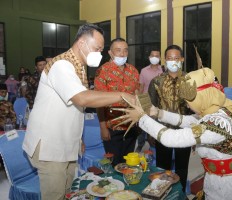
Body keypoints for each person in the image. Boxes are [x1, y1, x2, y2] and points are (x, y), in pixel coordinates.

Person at [22, 24, 134, 200]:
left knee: (68, 193)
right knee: (55, 196)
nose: (99, 53)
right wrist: (122, 95)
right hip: (50, 146)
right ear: (81, 43)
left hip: (66, 143)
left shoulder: (78, 67)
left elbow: (74, 110)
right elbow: (82, 98)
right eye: (97, 48)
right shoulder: (61, 65)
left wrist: (78, 138)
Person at [118, 67, 232, 200]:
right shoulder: (217, 109)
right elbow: (188, 120)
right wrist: (157, 113)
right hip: (219, 181)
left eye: (189, 102)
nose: (188, 106)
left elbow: (171, 138)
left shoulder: (217, 124)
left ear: (201, 97)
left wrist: (142, 118)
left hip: (230, 189)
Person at [147, 45, 191, 193]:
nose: (173, 61)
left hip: (184, 131)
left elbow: (193, 109)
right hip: (162, 131)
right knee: (162, 167)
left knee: (182, 167)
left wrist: (195, 133)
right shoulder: (156, 82)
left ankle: (180, 194)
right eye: (170, 58)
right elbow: (151, 108)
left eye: (176, 58)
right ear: (165, 60)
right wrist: (150, 132)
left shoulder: (189, 80)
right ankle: (162, 193)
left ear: (182, 59)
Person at [94, 38, 139, 167]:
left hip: (131, 126)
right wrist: (103, 128)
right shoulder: (102, 71)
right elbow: (99, 102)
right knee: (114, 166)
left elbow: (136, 97)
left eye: (125, 50)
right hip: (112, 127)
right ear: (110, 53)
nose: (122, 54)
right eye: (118, 50)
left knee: (130, 164)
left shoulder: (133, 71)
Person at [135, 50, 163, 152]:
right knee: (143, 125)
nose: (154, 57)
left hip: (158, 103)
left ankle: (154, 146)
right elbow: (141, 87)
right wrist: (138, 103)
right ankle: (140, 144)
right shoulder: (144, 71)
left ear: (160, 58)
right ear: (149, 57)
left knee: (155, 125)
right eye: (152, 55)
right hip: (145, 102)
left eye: (157, 56)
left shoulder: (163, 70)